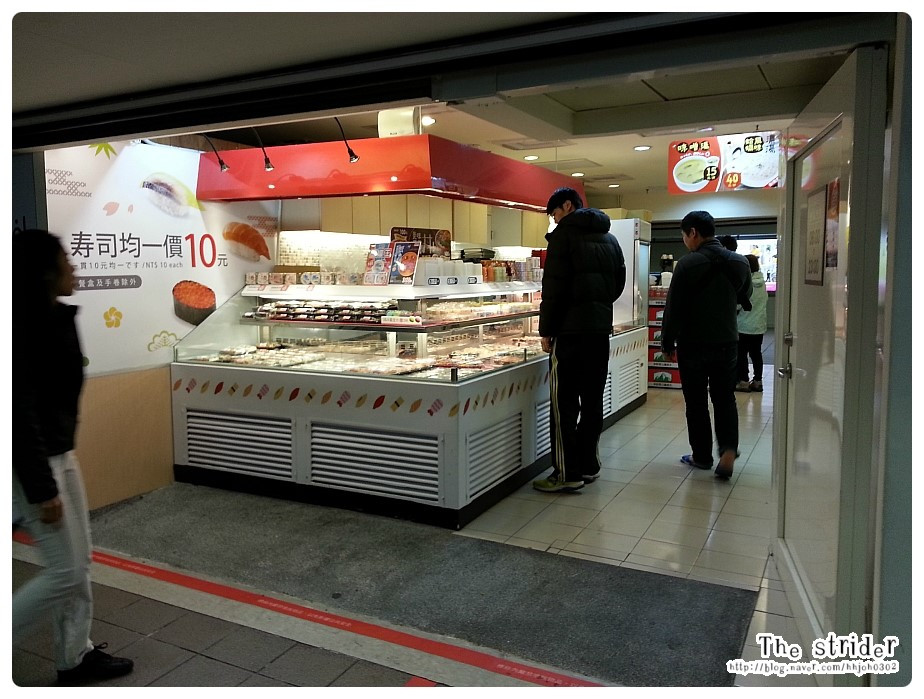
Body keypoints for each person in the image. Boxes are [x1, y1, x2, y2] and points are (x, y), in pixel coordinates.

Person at [12, 229, 135, 684]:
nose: (74, 265)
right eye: (66, 258)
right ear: (45, 271)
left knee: (79, 562)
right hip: (37, 463)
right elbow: (17, 412)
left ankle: (75, 657)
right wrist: (42, 488)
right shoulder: (21, 326)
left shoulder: (55, 316)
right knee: (64, 571)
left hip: (61, 453)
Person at [533, 188, 626, 493]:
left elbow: (553, 290)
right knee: (593, 401)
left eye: (555, 213)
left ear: (567, 206)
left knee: (564, 405)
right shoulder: (610, 239)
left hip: (569, 334)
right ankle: (589, 465)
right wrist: (596, 307)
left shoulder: (562, 237)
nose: (554, 219)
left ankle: (566, 473)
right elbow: (618, 284)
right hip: (599, 332)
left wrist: (546, 331)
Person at [660, 211, 752, 480]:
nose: (685, 241)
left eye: (684, 235)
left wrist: (667, 342)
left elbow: (673, 308)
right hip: (727, 341)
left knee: (696, 402)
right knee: (725, 398)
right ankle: (728, 450)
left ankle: (701, 456)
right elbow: (745, 294)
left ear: (693, 233)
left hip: (692, 344)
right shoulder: (740, 262)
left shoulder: (687, 264)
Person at [735, 254, 769, 392]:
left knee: (741, 354)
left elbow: (739, 305)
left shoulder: (745, 283)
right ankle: (757, 381)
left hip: (743, 325)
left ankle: (743, 381)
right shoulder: (763, 283)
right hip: (759, 325)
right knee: (756, 354)